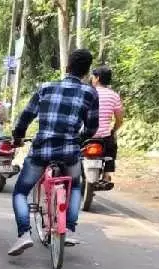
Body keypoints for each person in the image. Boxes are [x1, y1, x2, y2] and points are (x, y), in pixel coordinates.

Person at [8, 49, 99, 256]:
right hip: (69, 151)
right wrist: (79, 138)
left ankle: (24, 234)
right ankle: (69, 228)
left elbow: (25, 116)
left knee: (21, 191)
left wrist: (18, 136)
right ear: (86, 73)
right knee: (76, 187)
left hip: (42, 149)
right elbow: (92, 127)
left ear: (67, 67)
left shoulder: (46, 88)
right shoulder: (89, 93)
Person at [91, 65, 123, 189]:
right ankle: (106, 175)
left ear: (97, 78)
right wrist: (113, 130)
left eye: (93, 77)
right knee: (111, 149)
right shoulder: (114, 96)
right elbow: (120, 119)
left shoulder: (88, 93)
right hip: (104, 137)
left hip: (86, 135)